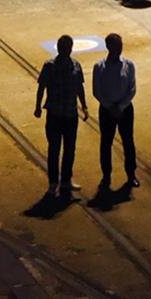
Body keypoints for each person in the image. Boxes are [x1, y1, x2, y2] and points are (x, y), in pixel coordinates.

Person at [34, 35, 89, 197]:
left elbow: (80, 88)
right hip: (55, 114)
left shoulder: (76, 66)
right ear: (59, 48)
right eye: (64, 47)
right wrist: (37, 106)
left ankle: (66, 180)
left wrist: (84, 106)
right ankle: (53, 183)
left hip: (71, 114)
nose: (66, 50)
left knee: (70, 150)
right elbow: (41, 87)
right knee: (54, 150)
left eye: (68, 47)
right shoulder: (49, 66)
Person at [92, 33, 138, 189]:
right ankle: (106, 176)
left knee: (128, 142)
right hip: (107, 110)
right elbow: (97, 91)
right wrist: (111, 107)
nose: (119, 49)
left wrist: (120, 106)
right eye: (116, 46)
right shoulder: (99, 67)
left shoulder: (129, 65)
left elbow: (132, 88)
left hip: (124, 109)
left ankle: (131, 175)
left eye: (120, 45)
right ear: (108, 47)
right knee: (106, 143)